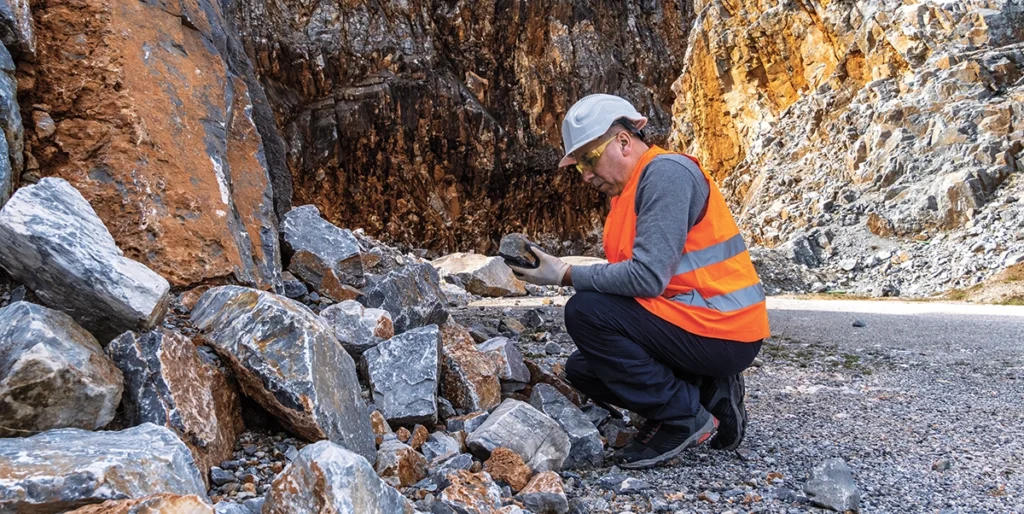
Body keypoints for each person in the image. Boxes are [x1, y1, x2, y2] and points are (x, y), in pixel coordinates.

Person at [508, 94, 769, 469]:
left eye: (588, 158)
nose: (584, 173)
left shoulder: (666, 175)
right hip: (695, 322)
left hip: (722, 328)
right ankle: (708, 391)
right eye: (578, 164)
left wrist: (566, 274)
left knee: (586, 312)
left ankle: (683, 416)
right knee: (585, 369)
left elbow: (647, 277)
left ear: (624, 141)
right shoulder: (627, 194)